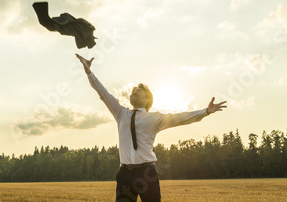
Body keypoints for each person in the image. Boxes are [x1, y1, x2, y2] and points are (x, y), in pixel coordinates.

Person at [75, 53, 227, 202]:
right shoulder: (120, 112)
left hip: (146, 173)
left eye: (138, 92)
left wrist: (205, 111)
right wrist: (89, 72)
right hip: (124, 174)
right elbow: (103, 93)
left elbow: (181, 118)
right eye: (133, 92)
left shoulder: (155, 118)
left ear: (148, 99)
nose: (134, 93)